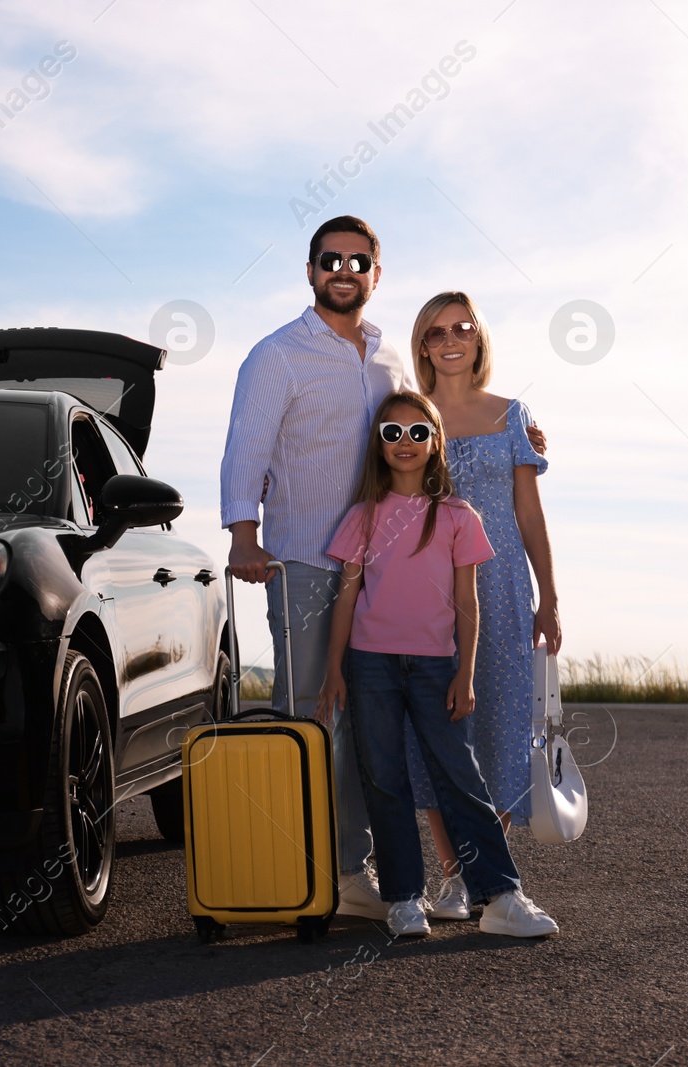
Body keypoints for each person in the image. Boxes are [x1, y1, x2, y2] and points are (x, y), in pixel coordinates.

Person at [316, 390, 558, 938]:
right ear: (377, 446)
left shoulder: (456, 516)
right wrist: (335, 668)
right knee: (384, 778)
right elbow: (347, 599)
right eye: (392, 433)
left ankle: (500, 896)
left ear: (436, 443)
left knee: (460, 776)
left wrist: (465, 672)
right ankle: (404, 900)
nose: (405, 443)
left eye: (418, 433)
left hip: (436, 668)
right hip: (370, 666)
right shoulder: (363, 516)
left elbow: (468, 606)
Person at [221, 215, 407, 920]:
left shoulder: (388, 359)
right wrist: (245, 537)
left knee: (367, 717)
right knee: (311, 716)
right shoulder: (277, 355)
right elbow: (246, 451)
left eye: (359, 262)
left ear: (375, 275)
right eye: (332, 260)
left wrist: (517, 425)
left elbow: (421, 431)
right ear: (310, 270)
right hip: (301, 561)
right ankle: (309, 872)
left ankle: (353, 867)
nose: (344, 270)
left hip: (382, 571)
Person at [400, 292, 562, 921]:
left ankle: (485, 874)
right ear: (422, 345)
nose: (450, 339)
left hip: (501, 591)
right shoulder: (412, 416)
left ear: (478, 339)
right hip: (428, 593)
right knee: (435, 732)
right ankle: (454, 879)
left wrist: (549, 596)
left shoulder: (511, 414)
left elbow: (530, 513)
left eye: (462, 328)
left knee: (497, 726)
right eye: (437, 331)